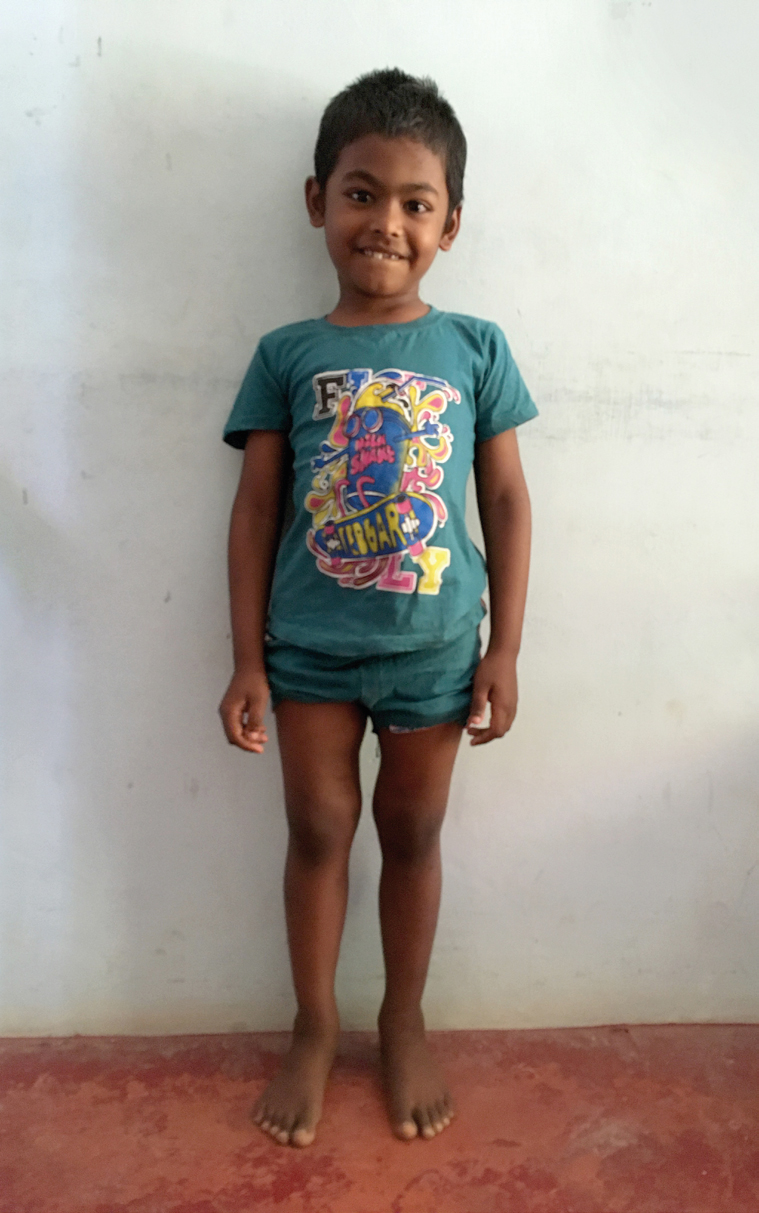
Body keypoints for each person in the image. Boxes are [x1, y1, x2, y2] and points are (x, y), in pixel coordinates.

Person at [219, 68, 537, 1148]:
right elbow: (255, 510)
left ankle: (404, 1018)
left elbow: (506, 500)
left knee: (413, 830)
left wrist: (506, 648)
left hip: (435, 652)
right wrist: (246, 659)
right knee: (317, 829)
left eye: (415, 202)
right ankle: (314, 1024)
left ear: (451, 223)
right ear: (318, 200)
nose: (386, 223)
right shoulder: (286, 354)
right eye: (361, 193)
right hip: (308, 650)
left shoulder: (476, 347)